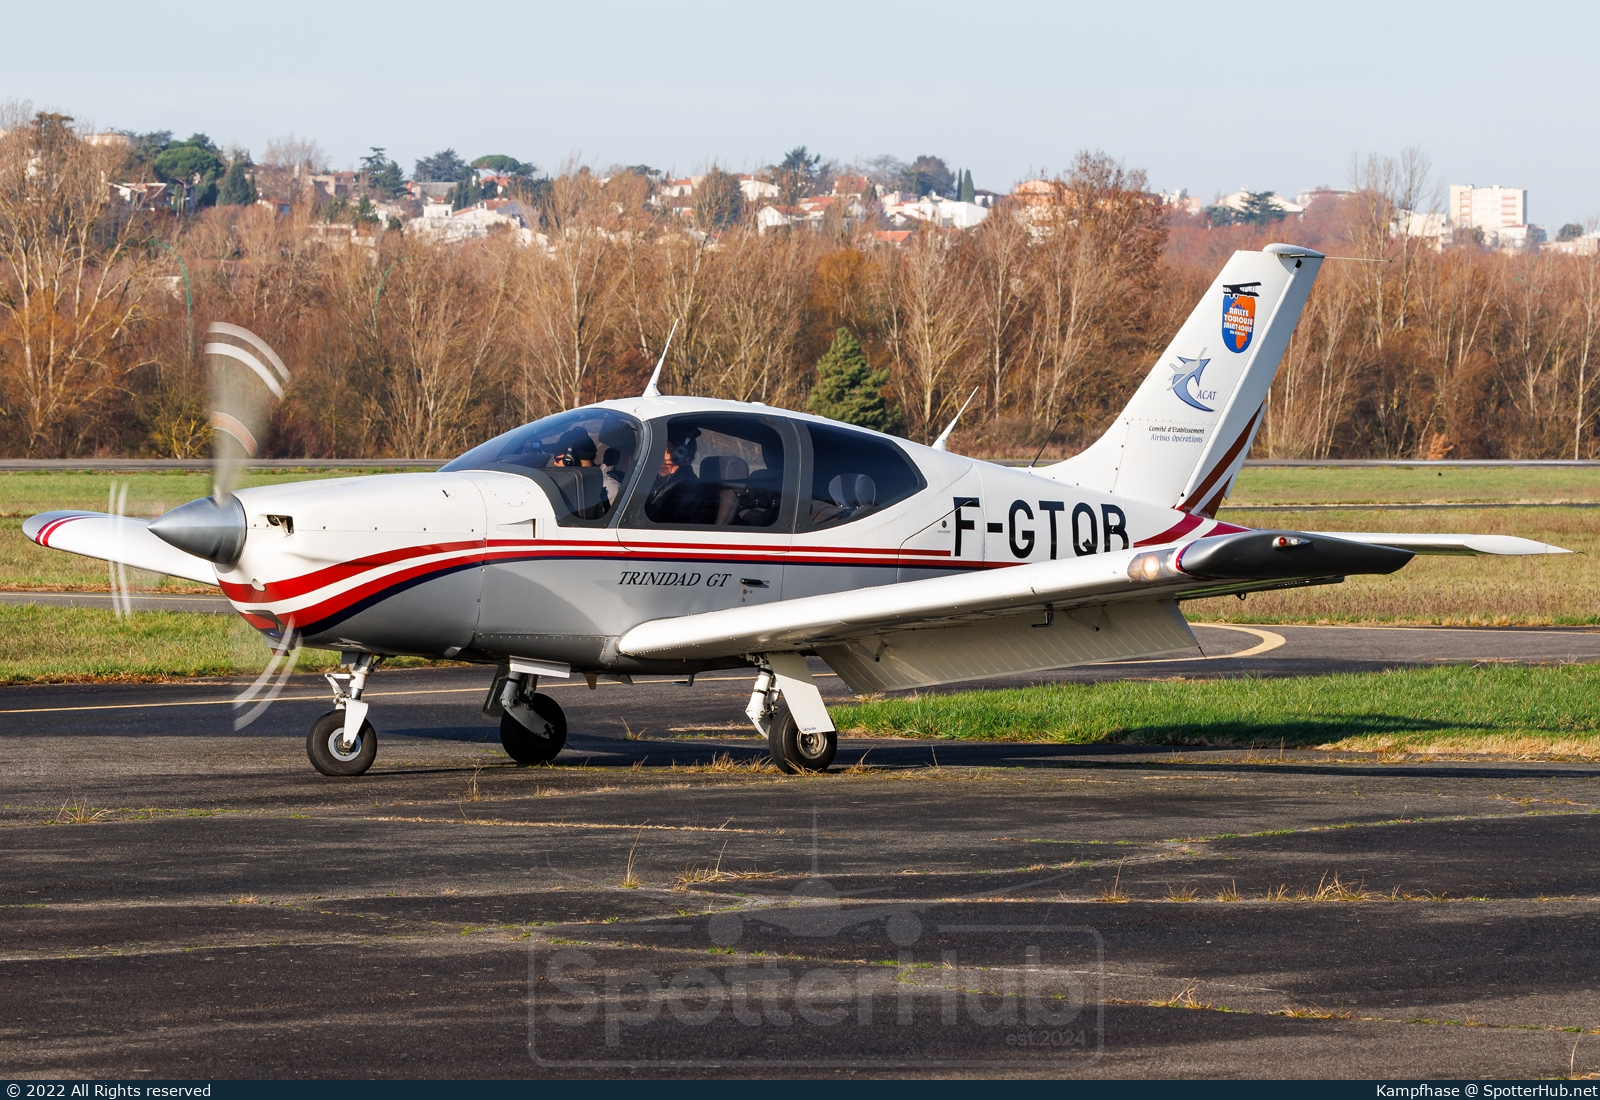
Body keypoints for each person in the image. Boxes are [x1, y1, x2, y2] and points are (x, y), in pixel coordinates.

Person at [644, 425, 708, 523]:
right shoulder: (655, 480)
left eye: (666, 448)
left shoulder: (693, 490)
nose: (656, 453)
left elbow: (660, 522)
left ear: (681, 453)